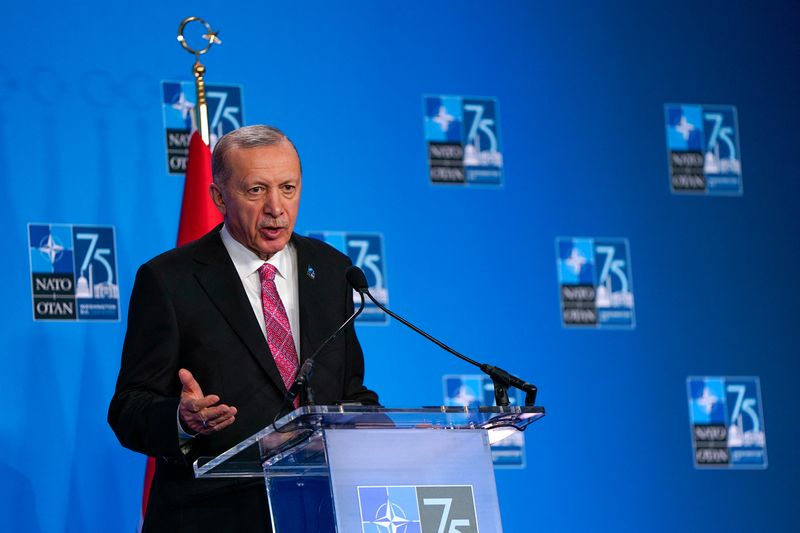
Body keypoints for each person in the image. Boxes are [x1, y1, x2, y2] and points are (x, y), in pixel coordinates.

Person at [108, 125, 379, 533]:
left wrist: (386, 430)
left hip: (317, 513)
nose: (276, 207)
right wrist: (181, 420)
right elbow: (128, 408)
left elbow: (349, 392)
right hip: (211, 518)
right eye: (256, 190)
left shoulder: (332, 270)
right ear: (219, 197)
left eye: (288, 188)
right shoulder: (170, 280)